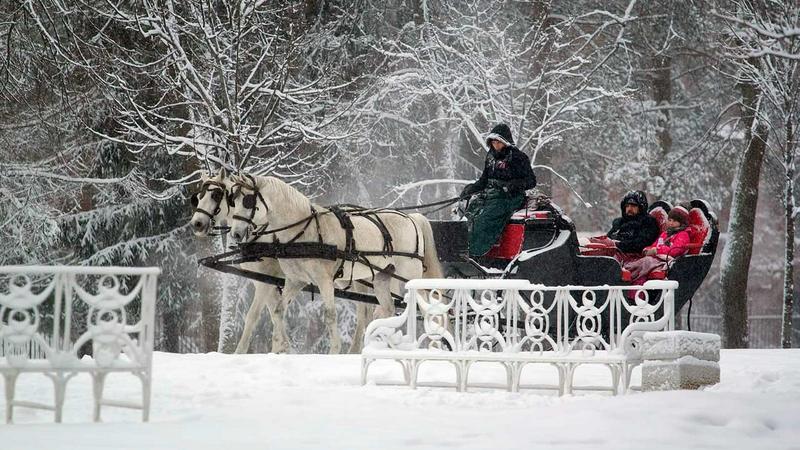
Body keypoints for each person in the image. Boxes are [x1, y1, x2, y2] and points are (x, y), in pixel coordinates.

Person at [459, 123, 537, 257]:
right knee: (469, 215)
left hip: (510, 198)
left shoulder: (518, 157)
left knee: (484, 219)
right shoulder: (490, 157)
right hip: (490, 195)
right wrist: (471, 189)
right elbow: (484, 180)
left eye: (498, 142)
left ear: (505, 141)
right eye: (493, 142)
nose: (495, 145)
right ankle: (460, 247)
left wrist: (515, 184)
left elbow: (531, 181)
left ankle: (474, 253)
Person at [625, 207, 692, 286]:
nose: (671, 223)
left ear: (682, 222)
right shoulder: (665, 233)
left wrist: (657, 250)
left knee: (646, 262)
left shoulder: (683, 235)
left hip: (667, 261)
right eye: (670, 220)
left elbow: (675, 251)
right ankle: (629, 278)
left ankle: (628, 272)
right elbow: (655, 245)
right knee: (644, 264)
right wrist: (647, 250)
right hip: (656, 259)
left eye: (674, 221)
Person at [589, 190, 661, 263]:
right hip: (613, 254)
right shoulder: (619, 223)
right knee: (593, 247)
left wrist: (617, 245)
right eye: (627, 206)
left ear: (641, 207)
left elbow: (640, 244)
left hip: (632, 258)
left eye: (633, 206)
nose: (629, 209)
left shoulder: (648, 222)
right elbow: (608, 238)